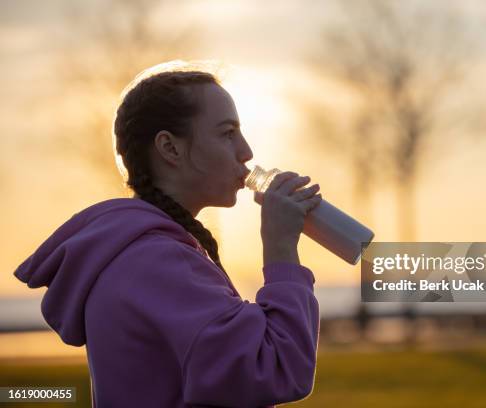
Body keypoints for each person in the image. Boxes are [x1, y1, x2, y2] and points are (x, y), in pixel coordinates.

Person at [14, 60, 323, 408]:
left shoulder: (138, 253)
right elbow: (277, 369)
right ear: (170, 148)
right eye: (227, 133)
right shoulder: (156, 263)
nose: (246, 151)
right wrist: (280, 246)